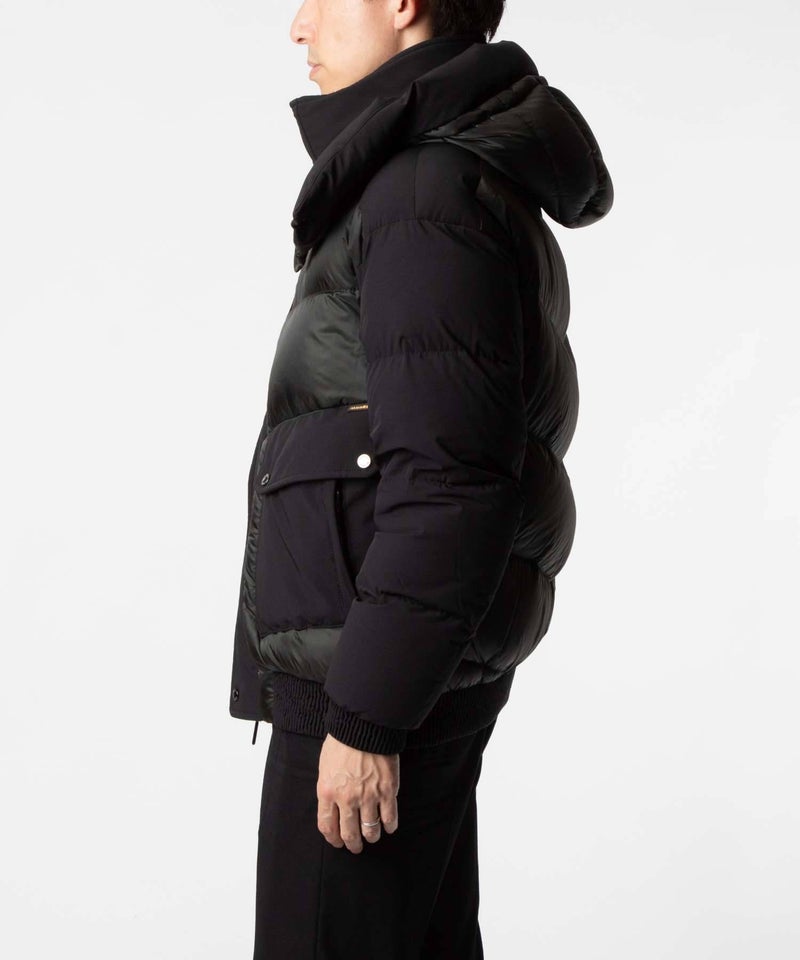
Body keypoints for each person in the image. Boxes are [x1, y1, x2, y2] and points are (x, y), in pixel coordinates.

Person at [228, 1, 614, 957]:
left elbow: (452, 478)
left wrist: (366, 717)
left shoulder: (423, 192)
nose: (298, 26)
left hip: (370, 683)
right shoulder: (435, 181)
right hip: (391, 668)